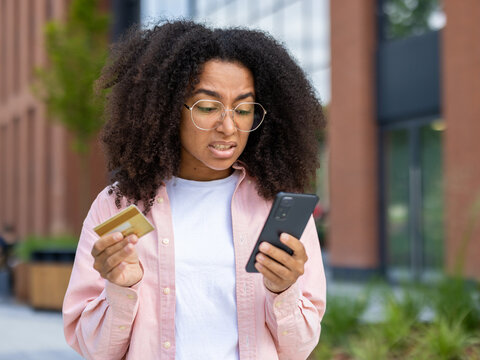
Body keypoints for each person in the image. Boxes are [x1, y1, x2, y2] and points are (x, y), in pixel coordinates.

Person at [63, 20, 326, 360]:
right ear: (168, 110)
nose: (229, 126)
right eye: (207, 107)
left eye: (244, 110)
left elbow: (300, 348)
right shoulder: (118, 205)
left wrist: (283, 290)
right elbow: (93, 349)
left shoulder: (276, 208)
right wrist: (121, 288)